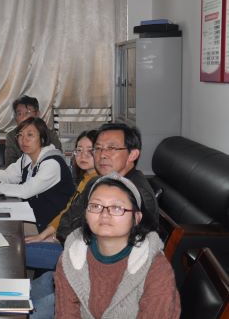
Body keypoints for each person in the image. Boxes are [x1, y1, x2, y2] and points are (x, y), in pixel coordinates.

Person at [53, 173, 180, 318]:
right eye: (96, 206)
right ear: (86, 215)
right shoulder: (72, 257)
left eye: (117, 208)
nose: (104, 214)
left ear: (137, 218)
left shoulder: (156, 268)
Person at [56, 123, 159, 243]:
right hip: (72, 243)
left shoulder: (137, 193)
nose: (102, 155)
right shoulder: (99, 181)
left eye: (111, 148)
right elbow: (67, 218)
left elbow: (127, 244)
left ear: (132, 155)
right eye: (98, 148)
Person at [0, 117, 73, 232]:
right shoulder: (27, 157)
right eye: (20, 135)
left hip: (51, 228)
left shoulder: (52, 163)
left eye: (30, 135)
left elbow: (26, 191)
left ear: (42, 139)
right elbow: (9, 175)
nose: (24, 140)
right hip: (32, 217)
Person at [24, 130, 98, 270]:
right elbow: (67, 211)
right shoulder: (86, 178)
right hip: (65, 239)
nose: (83, 155)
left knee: (17, 250)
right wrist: (43, 236)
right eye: (79, 150)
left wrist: (53, 238)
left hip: (78, 251)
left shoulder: (97, 184)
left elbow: (80, 225)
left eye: (90, 151)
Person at [4, 96, 62, 165]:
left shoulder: (49, 134)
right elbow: (10, 165)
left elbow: (58, 160)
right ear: (15, 118)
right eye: (19, 114)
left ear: (37, 114)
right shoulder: (11, 136)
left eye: (27, 112)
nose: (23, 117)